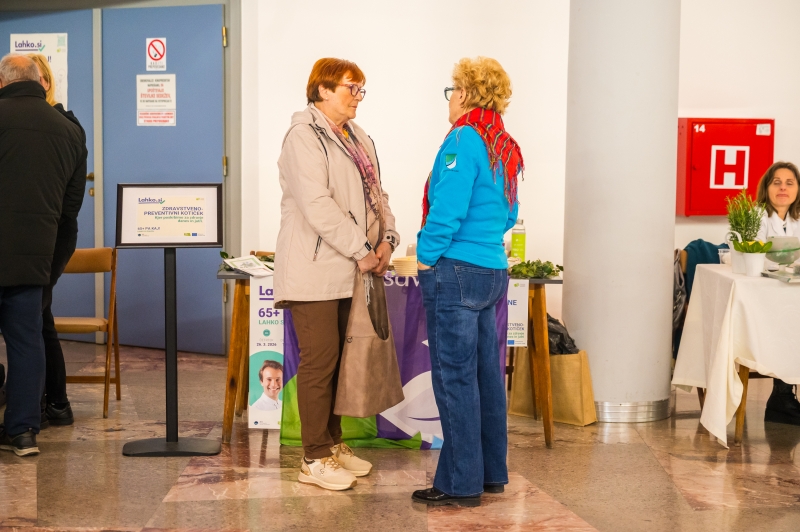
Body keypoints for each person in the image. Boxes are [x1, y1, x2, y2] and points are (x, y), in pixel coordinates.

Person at [274, 58, 400, 491]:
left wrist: (388, 239)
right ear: (323, 90)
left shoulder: (357, 137)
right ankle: (313, 457)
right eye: (351, 87)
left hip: (352, 269)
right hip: (314, 271)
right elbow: (317, 205)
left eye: (361, 89)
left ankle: (332, 444)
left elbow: (378, 196)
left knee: (341, 363)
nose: (357, 96)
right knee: (320, 362)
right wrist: (363, 250)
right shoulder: (302, 136)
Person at [413, 57, 522, 506]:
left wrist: (424, 257)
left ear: (465, 94)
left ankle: (460, 483)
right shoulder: (504, 145)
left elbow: (447, 209)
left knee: (455, 379)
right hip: (493, 269)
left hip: (456, 271)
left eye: (452, 90)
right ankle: (490, 473)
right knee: (486, 378)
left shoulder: (463, 139)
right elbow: (511, 214)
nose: (450, 99)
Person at [0, 54, 86, 456]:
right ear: (40, 81)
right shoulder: (68, 130)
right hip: (34, 259)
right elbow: (70, 209)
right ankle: (22, 432)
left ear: (3, 82)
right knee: (27, 341)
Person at [28, 53, 87, 427]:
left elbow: (70, 201)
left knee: (34, 312)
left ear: (47, 83)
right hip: (41, 234)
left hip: (53, 236)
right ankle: (57, 402)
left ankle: (48, 402)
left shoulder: (64, 124)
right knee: (39, 313)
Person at [754, 161, 800, 425]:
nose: (783, 188)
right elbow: (752, 255)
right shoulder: (755, 217)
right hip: (763, 296)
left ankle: (783, 396)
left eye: (789, 183)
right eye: (777, 182)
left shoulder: (798, 219)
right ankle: (782, 397)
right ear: (767, 187)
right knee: (789, 321)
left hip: (791, 293)